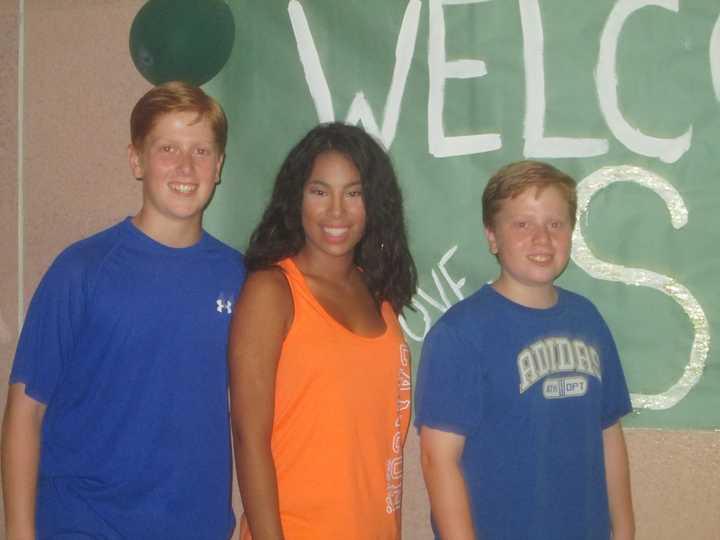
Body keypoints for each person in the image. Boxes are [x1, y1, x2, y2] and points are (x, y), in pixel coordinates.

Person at [1, 81, 245, 540]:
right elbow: (24, 411)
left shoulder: (240, 278)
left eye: (201, 150)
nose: (185, 167)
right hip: (86, 524)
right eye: (167, 148)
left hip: (197, 528)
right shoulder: (82, 270)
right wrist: (18, 531)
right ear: (136, 159)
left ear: (219, 166)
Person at [414, 160, 635, 540]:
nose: (542, 239)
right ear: (492, 237)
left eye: (555, 223)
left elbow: (609, 435)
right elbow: (439, 460)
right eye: (522, 224)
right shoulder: (459, 334)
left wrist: (625, 530)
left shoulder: (588, 320)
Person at [229, 122, 417, 540]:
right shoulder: (272, 292)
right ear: (296, 198)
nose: (336, 211)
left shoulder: (380, 298)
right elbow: (248, 437)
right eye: (320, 191)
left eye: (353, 193)